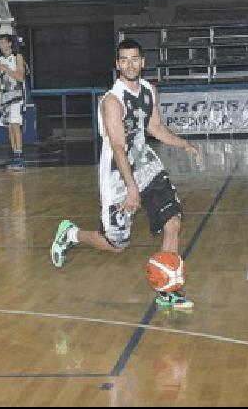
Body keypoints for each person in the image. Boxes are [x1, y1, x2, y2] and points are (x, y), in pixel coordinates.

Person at [50, 38, 202, 309]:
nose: (130, 64)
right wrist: (131, 187)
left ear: (143, 62)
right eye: (124, 60)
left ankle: (168, 290)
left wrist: (184, 144)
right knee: (116, 243)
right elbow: (118, 147)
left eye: (134, 59)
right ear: (117, 64)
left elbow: (155, 128)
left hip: (146, 163)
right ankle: (71, 235)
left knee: (173, 222)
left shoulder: (149, 91)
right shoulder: (112, 101)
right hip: (118, 173)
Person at [0, 34, 26, 170]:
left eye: (4, 42)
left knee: (15, 125)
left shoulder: (18, 57)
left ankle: (19, 158)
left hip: (16, 95)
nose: (2, 45)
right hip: (4, 97)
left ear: (10, 43)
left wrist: (5, 68)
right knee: (10, 128)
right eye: (0, 43)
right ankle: (15, 157)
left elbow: (21, 77)